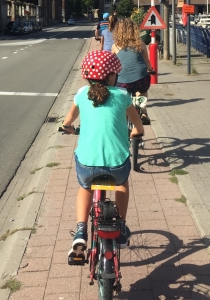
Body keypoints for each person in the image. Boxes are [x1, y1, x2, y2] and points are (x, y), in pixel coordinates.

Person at [62, 50, 144, 263]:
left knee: (85, 187)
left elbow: (67, 121)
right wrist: (136, 132)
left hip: (88, 166)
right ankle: (122, 225)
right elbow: (137, 124)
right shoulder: (123, 96)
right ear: (111, 76)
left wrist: (68, 127)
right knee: (122, 184)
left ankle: (80, 231)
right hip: (117, 166)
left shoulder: (81, 94)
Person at [112, 18, 155, 125]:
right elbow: (146, 61)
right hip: (140, 78)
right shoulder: (141, 44)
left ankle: (125, 118)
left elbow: (113, 64)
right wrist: (151, 70)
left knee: (124, 96)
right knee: (143, 89)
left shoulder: (115, 46)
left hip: (122, 81)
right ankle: (143, 110)